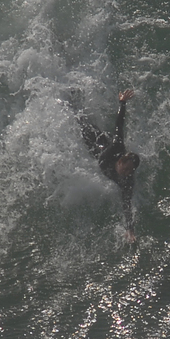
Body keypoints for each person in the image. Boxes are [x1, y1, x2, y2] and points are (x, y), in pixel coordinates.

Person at [69, 88, 140, 241]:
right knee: (82, 122)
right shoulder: (117, 146)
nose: (127, 173)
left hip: (103, 149)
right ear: (120, 162)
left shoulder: (127, 181)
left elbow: (126, 205)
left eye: (130, 171)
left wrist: (130, 230)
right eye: (126, 168)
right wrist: (122, 102)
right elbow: (119, 124)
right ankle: (73, 98)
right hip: (97, 143)